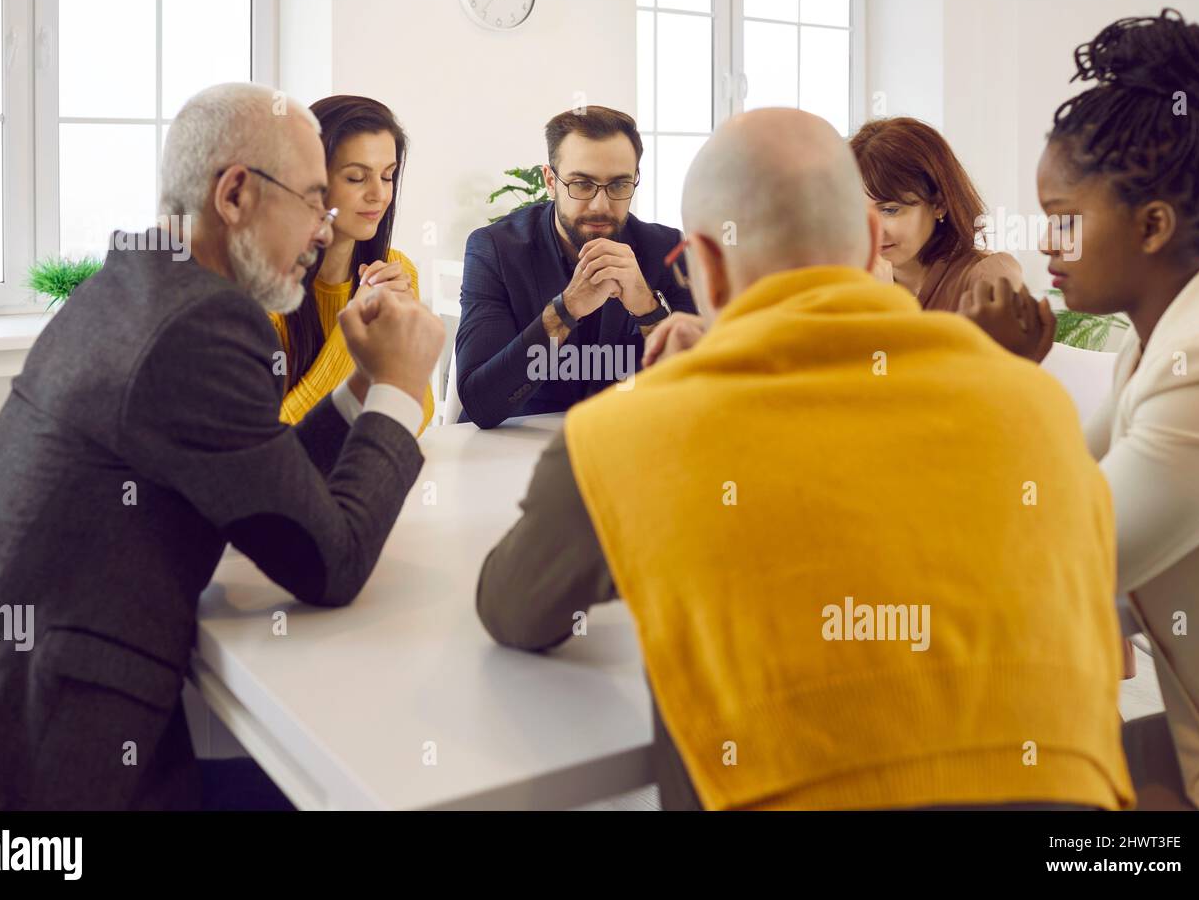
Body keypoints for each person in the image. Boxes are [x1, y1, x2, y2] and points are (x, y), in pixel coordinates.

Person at [476, 107, 1135, 811]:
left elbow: (513, 609)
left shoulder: (629, 435)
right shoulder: (1034, 407)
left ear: (706, 267)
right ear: (873, 244)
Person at [0, 83, 445, 809]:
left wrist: (361, 380)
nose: (324, 232)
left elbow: (267, 472)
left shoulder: (137, 286)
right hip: (43, 768)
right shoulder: (203, 323)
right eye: (311, 200)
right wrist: (398, 384)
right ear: (234, 194)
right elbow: (331, 562)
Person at [964, 9, 1199, 810]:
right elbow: (1052, 492)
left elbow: (1063, 558)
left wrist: (999, 377)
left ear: (1152, 225)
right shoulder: (1149, 344)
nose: (1046, 245)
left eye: (1064, 219)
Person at [454, 106, 695, 428]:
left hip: (625, 446)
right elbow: (481, 403)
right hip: (512, 451)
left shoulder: (667, 250)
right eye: (582, 184)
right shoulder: (497, 250)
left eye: (619, 185)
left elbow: (700, 391)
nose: (601, 205)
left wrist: (647, 308)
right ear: (551, 181)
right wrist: (565, 311)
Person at [270, 95, 434, 431]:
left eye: (387, 176)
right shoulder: (266, 291)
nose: (378, 194)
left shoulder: (394, 270)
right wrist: (352, 332)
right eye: (357, 178)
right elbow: (276, 439)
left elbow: (415, 418)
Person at [851, 116, 1023, 310]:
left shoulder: (987, 280)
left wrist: (888, 306)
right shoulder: (850, 282)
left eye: (890, 210)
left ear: (939, 204)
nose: (873, 230)